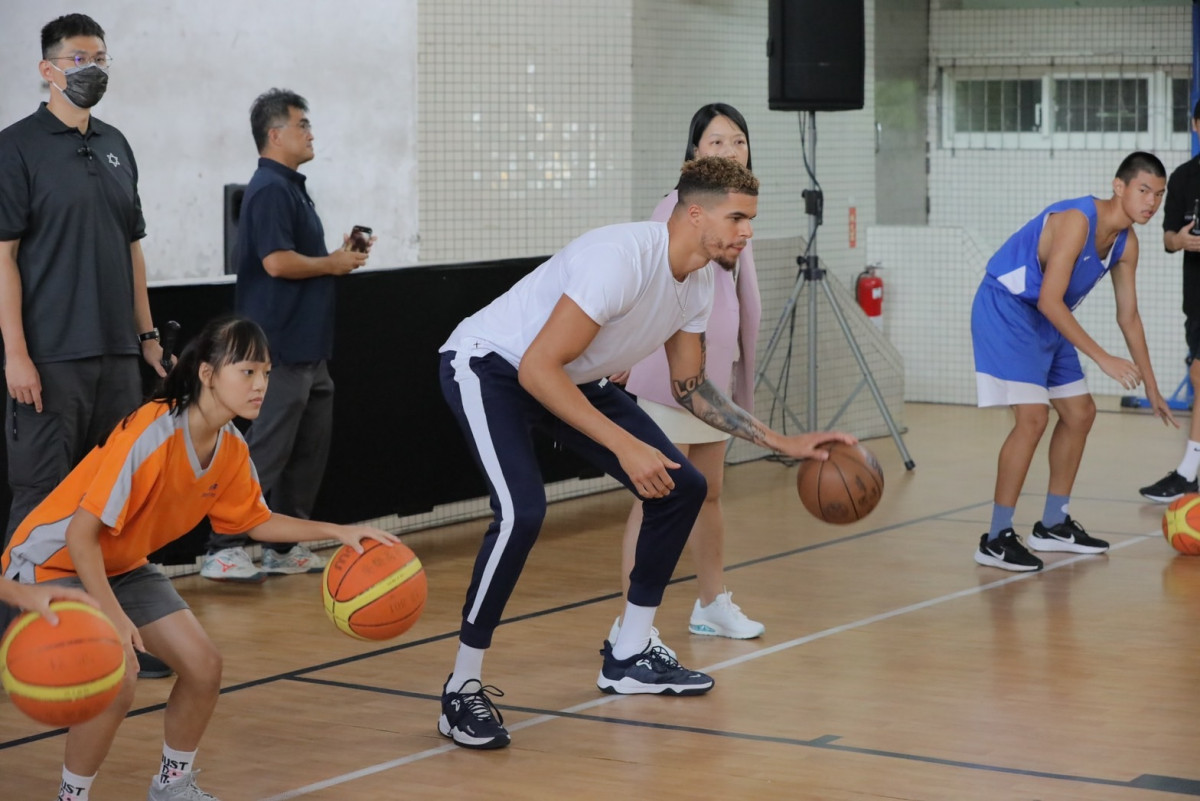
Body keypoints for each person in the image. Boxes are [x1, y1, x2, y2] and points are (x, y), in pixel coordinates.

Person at [436, 156, 854, 750]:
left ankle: (629, 652)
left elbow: (691, 388)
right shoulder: (622, 260)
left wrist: (783, 442)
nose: (747, 232)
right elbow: (536, 367)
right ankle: (462, 687)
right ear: (694, 213)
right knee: (522, 513)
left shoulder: (702, 281)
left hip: (569, 376)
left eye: (751, 219)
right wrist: (626, 447)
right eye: (737, 217)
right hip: (491, 366)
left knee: (684, 485)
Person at [1, 316, 399, 801]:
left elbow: (256, 520)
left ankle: (172, 785)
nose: (260, 386)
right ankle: (71, 796)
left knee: (204, 665)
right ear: (208, 374)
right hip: (52, 563)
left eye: (267, 373)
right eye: (247, 372)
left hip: (121, 564)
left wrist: (337, 531)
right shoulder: (151, 431)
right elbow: (80, 537)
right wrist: (114, 615)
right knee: (117, 675)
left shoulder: (230, 446)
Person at [0, 12, 172, 680]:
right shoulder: (16, 148)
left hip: (117, 359)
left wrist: (149, 338)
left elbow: (134, 251)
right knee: (41, 502)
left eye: (99, 55)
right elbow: (4, 257)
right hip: (47, 360)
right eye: (77, 57)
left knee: (114, 506)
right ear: (46, 69)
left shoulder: (117, 144)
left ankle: (119, 637)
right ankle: (28, 647)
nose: (91, 66)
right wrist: (15, 352)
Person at [971, 152, 1175, 572]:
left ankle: (1052, 524)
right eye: (1143, 190)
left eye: (1159, 194)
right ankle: (995, 537)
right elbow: (1048, 298)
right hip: (1009, 308)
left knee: (1080, 414)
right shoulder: (1076, 221)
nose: (1151, 202)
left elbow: (1129, 316)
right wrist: (1102, 359)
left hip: (1047, 314)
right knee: (1032, 418)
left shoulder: (1126, 243)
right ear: (1118, 187)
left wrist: (1153, 387)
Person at [199, 89, 370, 583]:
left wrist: (336, 258)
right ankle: (223, 548)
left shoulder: (293, 187)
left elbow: (296, 259)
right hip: (277, 349)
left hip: (310, 349)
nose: (311, 133)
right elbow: (276, 262)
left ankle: (281, 546)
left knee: (307, 452)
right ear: (275, 135)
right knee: (267, 450)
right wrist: (332, 263)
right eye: (303, 125)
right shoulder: (270, 188)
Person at [613, 104, 763, 648]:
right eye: (717, 142)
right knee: (656, 496)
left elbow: (744, 307)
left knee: (710, 494)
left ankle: (711, 604)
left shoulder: (740, 214)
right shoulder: (676, 210)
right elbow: (648, 284)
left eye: (738, 142)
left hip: (710, 380)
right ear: (693, 154)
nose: (730, 151)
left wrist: (740, 384)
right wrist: (626, 349)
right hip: (666, 375)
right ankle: (631, 624)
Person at [1139, 104, 1200, 503]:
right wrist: (1181, 240)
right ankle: (1189, 472)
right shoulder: (1183, 178)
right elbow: (1166, 238)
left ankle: (1189, 472)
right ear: (1197, 125)